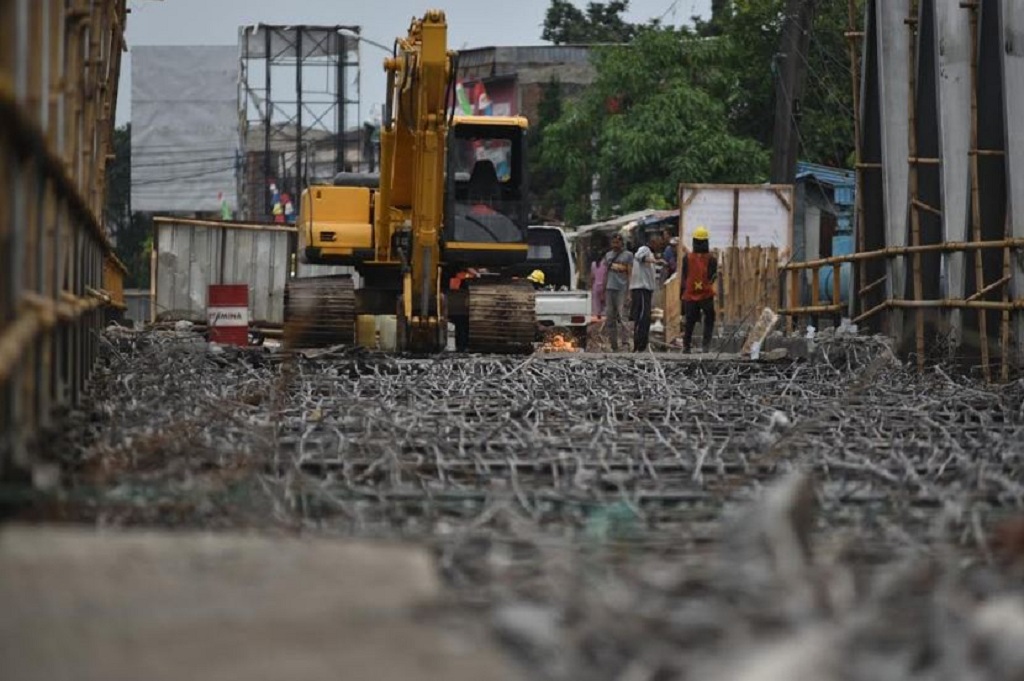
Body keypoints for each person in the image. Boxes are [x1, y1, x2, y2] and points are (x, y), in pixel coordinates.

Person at [681, 225, 718, 353]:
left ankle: (686, 346)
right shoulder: (712, 259)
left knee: (689, 321)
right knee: (709, 318)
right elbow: (713, 277)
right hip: (706, 295)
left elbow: (685, 276)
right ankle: (705, 346)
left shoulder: (686, 258)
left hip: (690, 294)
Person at [630, 236, 664, 352]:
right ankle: (639, 344)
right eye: (658, 242)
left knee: (645, 318)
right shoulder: (645, 249)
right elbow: (639, 256)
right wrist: (656, 261)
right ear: (652, 242)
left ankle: (642, 344)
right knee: (642, 317)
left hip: (646, 290)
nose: (659, 245)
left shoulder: (651, 254)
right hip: (641, 289)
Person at [602, 233, 633, 352]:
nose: (615, 245)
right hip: (610, 288)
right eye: (613, 242)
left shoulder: (628, 255)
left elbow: (630, 273)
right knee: (610, 317)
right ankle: (613, 344)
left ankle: (625, 343)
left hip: (622, 289)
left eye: (617, 242)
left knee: (622, 317)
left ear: (621, 243)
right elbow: (606, 273)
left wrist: (630, 292)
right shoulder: (608, 255)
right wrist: (603, 288)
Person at [590, 251, 608, 318]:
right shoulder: (606, 265)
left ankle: (596, 319)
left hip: (595, 286)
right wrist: (604, 289)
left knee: (596, 306)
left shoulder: (593, 264)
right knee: (604, 306)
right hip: (603, 286)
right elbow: (605, 278)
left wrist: (591, 287)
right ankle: (603, 322)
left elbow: (592, 277)